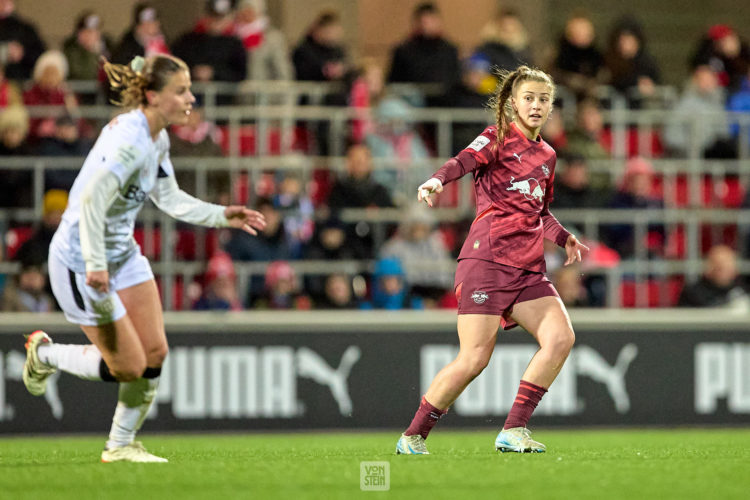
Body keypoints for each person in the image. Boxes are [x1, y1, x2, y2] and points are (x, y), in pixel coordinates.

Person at [21, 53, 266, 463]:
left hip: (122, 254)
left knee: (155, 353)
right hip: (80, 260)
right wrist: (95, 262)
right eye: (181, 90)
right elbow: (92, 200)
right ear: (153, 96)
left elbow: (168, 198)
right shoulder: (128, 140)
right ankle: (43, 354)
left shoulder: (158, 138)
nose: (191, 97)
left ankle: (120, 446)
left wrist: (222, 215)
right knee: (128, 366)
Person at [395, 65, 589, 455]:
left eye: (543, 99)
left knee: (561, 337)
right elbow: (462, 161)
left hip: (529, 268)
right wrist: (436, 180)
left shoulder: (548, 156)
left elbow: (540, 212)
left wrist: (564, 237)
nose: (536, 105)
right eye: (529, 98)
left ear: (551, 107)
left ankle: (513, 430)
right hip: (487, 262)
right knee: (474, 358)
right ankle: (412, 436)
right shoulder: (497, 138)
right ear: (513, 103)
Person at [387, 2, 460, 100]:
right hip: (411, 102)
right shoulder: (403, 51)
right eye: (424, 22)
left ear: (438, 21)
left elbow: (455, 80)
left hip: (445, 102)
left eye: (430, 21)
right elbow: (394, 82)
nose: (426, 26)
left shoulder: (450, 50)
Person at [678, 245, 749, 311]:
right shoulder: (693, 294)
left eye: (727, 265)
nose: (722, 269)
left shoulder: (744, 291)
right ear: (708, 267)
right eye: (718, 265)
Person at [0, 0, 46, 81]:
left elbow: (41, 56)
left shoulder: (25, 29)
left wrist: (22, 53)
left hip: (18, 81)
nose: (4, 3)